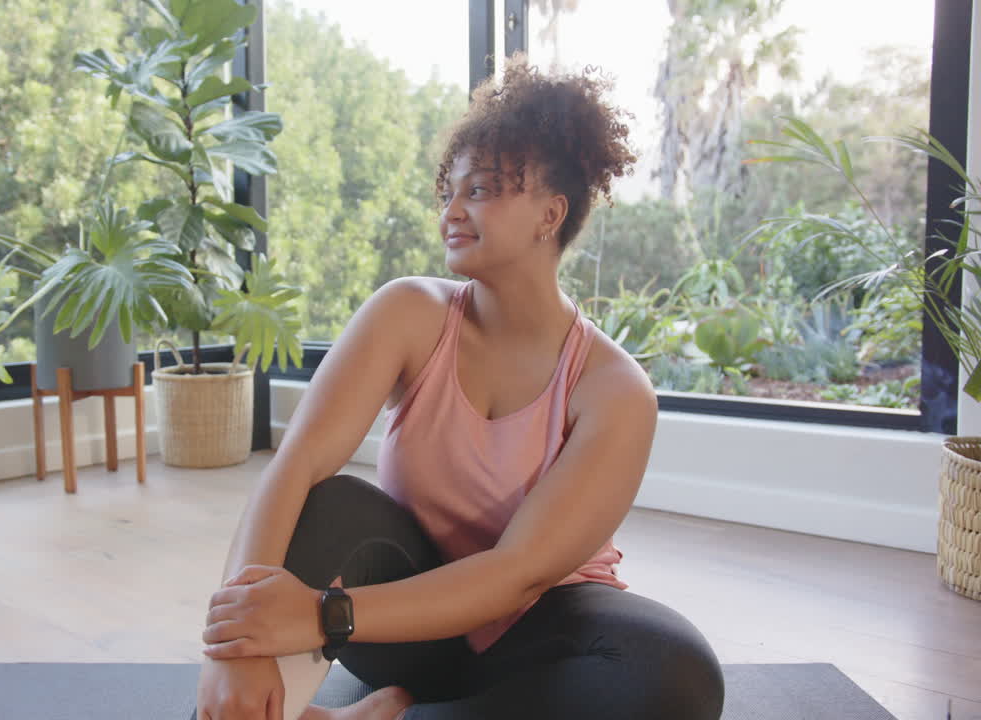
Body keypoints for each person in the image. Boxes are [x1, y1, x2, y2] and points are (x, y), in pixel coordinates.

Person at [193, 57, 725, 720]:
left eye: (481, 190)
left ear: (549, 214)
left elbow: (517, 575)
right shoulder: (408, 314)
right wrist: (236, 646)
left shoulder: (614, 390)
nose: (452, 210)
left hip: (537, 637)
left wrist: (324, 615)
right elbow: (296, 463)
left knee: (676, 675)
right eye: (450, 190)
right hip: (401, 626)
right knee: (323, 505)